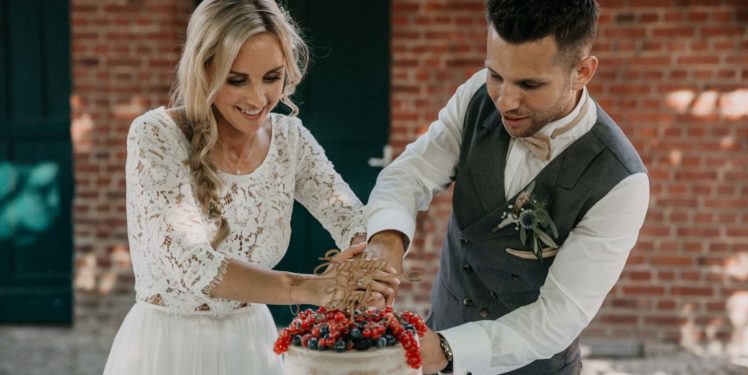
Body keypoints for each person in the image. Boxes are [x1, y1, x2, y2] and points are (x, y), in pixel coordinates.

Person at [103, 1, 397, 374]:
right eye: (237, 80)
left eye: (272, 78)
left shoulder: (290, 139)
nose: (258, 99)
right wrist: (311, 289)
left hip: (252, 346)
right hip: (166, 348)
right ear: (204, 70)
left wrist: (367, 263)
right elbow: (192, 265)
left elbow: (351, 215)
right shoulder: (154, 135)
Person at [364, 0, 650, 374]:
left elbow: (559, 315)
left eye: (530, 84)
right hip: (437, 347)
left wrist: (449, 350)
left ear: (582, 71)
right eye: (495, 75)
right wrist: (387, 238)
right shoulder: (476, 97)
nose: (505, 100)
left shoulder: (621, 181)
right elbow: (411, 172)